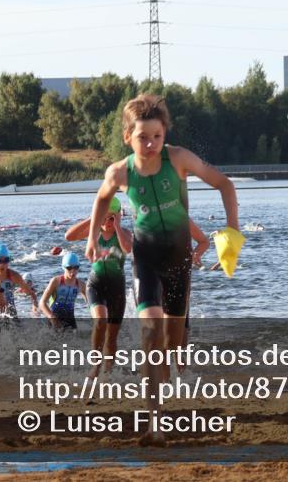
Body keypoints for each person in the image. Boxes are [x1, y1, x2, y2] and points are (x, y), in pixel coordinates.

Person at [85, 93, 239, 445]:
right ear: (128, 137)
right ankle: (154, 424)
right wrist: (92, 238)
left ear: (164, 134)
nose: (151, 143)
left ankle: (162, 393)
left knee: (170, 343)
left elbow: (224, 184)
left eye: (157, 136)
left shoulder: (179, 159)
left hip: (180, 259)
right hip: (146, 256)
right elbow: (102, 198)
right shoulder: (120, 172)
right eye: (143, 137)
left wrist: (232, 229)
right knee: (150, 335)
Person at [66, 198, 134, 377]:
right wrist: (93, 218)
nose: (107, 222)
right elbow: (69, 236)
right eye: (104, 218)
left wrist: (117, 225)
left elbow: (128, 248)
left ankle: (107, 372)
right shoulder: (93, 233)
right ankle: (95, 365)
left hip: (116, 287)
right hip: (96, 283)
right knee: (100, 321)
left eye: (111, 218)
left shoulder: (124, 233)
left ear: (118, 217)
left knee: (111, 336)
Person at [0, 244, 38, 325]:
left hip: (11, 314)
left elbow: (31, 294)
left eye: (5, 260)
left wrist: (35, 307)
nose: (2, 264)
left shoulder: (14, 276)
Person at [39, 251, 88, 331]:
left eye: (76, 267)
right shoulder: (56, 281)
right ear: (63, 267)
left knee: (70, 343)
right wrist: (52, 317)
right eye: (69, 268)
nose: (73, 271)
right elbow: (42, 302)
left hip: (70, 320)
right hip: (54, 319)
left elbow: (90, 302)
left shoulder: (81, 284)